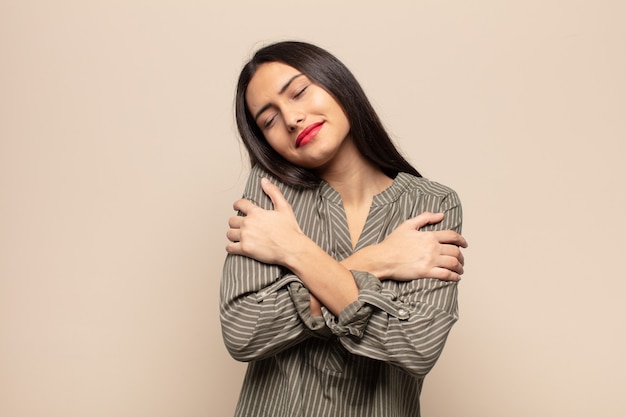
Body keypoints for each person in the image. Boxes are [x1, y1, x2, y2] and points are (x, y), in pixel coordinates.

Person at [220, 40, 468, 417]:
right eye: (269, 120)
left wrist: (293, 252)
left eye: (299, 92)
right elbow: (243, 331)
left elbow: (416, 345)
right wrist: (377, 259)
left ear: (337, 83)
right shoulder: (270, 193)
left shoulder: (430, 205)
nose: (291, 119)